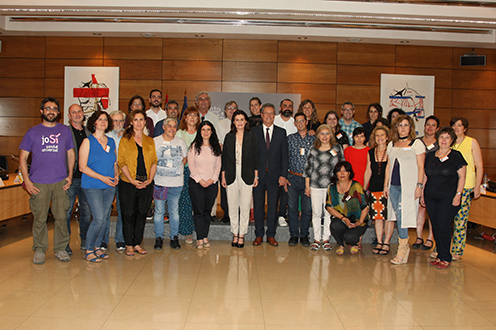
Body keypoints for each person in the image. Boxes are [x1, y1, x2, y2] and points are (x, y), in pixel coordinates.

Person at [19, 97, 75, 264]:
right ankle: (40, 249)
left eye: (54, 109)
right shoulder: (32, 132)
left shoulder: (65, 131)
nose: (51, 111)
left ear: (58, 112)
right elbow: (23, 158)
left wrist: (70, 175)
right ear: (42, 111)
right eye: (48, 108)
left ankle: (60, 248)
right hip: (38, 182)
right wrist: (27, 181)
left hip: (60, 181)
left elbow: (71, 154)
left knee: (61, 217)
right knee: (40, 217)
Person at [422, 127, 467, 269]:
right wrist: (422, 194)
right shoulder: (430, 155)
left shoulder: (456, 156)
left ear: (452, 140)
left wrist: (458, 195)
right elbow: (425, 176)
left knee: (443, 225)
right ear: (437, 139)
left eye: (447, 138)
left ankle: (446, 256)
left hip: (448, 197)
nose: (444, 140)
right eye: (442, 137)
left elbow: (462, 177)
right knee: (435, 226)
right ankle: (440, 254)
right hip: (431, 196)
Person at [384, 115, 425, 264]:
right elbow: (388, 166)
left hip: (408, 186)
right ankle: (404, 247)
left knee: (402, 215)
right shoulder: (392, 144)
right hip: (393, 186)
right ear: (396, 127)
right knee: (398, 215)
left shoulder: (417, 144)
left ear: (411, 127)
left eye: (406, 125)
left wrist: (419, 186)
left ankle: (403, 247)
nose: (403, 128)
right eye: (400, 125)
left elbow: (421, 166)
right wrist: (385, 186)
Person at [79, 110, 118, 262]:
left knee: (105, 217)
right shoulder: (87, 141)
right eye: (100, 119)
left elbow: (114, 163)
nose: (103, 122)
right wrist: (103, 178)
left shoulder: (111, 141)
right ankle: (88, 249)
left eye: (105, 120)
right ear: (94, 123)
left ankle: (97, 247)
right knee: (98, 218)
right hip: (92, 185)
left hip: (109, 186)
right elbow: (82, 167)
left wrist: (116, 176)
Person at [118, 110, 157, 256]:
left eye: (141, 119)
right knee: (128, 214)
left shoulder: (149, 141)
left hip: (146, 183)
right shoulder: (125, 139)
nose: (139, 122)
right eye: (136, 120)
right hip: (128, 183)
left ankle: (137, 243)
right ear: (131, 122)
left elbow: (154, 161)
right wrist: (132, 180)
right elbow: (121, 161)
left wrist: (149, 180)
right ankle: (128, 244)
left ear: (145, 122)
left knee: (141, 214)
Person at [252, 103, 289, 246]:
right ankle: (259, 234)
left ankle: (271, 235)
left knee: (273, 206)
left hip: (275, 176)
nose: (269, 116)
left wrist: (283, 175)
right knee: (259, 206)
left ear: (275, 115)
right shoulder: (254, 132)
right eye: (266, 113)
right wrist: (253, 175)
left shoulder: (281, 132)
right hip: (258, 176)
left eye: (271, 113)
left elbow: (285, 156)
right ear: (261, 115)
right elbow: (252, 155)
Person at [221, 110, 259, 248]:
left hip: (247, 175)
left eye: (242, 119)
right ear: (233, 122)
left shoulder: (251, 136)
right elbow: (224, 158)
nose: (239, 122)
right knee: (232, 206)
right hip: (231, 174)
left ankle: (242, 234)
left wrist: (256, 176)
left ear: (246, 122)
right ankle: (234, 233)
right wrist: (223, 176)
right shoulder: (228, 137)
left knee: (244, 205)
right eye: (237, 120)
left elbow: (256, 157)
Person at [304, 124, 344, 251]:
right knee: (316, 212)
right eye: (322, 134)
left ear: (331, 135)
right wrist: (307, 186)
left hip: (332, 186)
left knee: (328, 213)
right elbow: (308, 169)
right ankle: (316, 239)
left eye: (327, 133)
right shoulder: (313, 149)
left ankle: (326, 239)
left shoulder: (337, 149)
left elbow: (342, 168)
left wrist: (341, 185)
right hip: (315, 185)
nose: (324, 136)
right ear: (318, 135)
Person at [449, 116, 484, 260]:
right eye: (454, 125)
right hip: (450, 187)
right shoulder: (449, 143)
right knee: (445, 220)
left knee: (461, 221)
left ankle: (457, 251)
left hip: (466, 186)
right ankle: (442, 248)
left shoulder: (472, 142)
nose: (456, 128)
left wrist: (477, 186)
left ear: (465, 128)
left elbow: (479, 165)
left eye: (459, 125)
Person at [153, 117, 187, 250]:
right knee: (159, 211)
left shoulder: (181, 142)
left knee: (174, 211)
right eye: (169, 126)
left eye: (174, 126)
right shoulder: (155, 142)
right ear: (163, 127)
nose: (172, 129)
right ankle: (159, 237)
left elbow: (184, 159)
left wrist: (174, 170)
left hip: (176, 183)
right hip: (159, 183)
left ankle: (174, 237)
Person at [188, 121, 222, 249]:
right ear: (200, 132)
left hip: (212, 184)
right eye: (203, 129)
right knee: (198, 211)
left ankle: (205, 235)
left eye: (208, 129)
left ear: (212, 131)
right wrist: (200, 180)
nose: (206, 132)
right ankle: (200, 238)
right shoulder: (194, 146)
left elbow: (218, 166)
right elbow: (191, 165)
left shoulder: (216, 147)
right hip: (196, 183)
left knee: (207, 211)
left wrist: (212, 179)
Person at [326, 161, 369, 255]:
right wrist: (343, 218)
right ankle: (340, 244)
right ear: (335, 173)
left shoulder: (356, 186)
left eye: (345, 171)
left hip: (357, 220)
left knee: (350, 237)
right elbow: (329, 207)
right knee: (334, 225)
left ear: (349, 173)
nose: (342, 174)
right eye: (339, 171)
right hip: (342, 219)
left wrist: (360, 221)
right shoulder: (332, 187)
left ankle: (354, 243)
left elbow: (365, 207)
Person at [65, 104, 91, 254]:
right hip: (70, 178)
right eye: (73, 112)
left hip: (87, 179)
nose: (77, 114)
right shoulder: (64, 132)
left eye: (79, 111)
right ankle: (65, 243)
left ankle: (85, 240)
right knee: (67, 212)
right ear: (69, 116)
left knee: (86, 211)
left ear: (83, 114)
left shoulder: (89, 132)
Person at [287, 112, 315, 247]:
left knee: (307, 209)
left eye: (302, 121)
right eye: (297, 121)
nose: (300, 123)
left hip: (308, 180)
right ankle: (293, 234)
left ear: (306, 122)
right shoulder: (290, 139)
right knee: (292, 208)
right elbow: (284, 158)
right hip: (292, 177)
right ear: (294, 124)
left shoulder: (314, 139)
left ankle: (304, 235)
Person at [364, 126, 392, 255]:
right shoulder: (371, 152)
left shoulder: (392, 151)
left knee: (389, 217)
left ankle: (386, 242)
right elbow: (368, 170)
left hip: (389, 188)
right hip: (374, 187)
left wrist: (387, 185)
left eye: (382, 135)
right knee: (378, 217)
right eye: (377, 136)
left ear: (387, 137)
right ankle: (379, 241)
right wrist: (364, 188)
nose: (379, 138)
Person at [412, 115, 439, 251]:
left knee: (432, 210)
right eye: (428, 124)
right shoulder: (417, 142)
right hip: (419, 179)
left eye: (433, 125)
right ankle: (418, 236)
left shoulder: (440, 144)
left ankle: (430, 237)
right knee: (420, 208)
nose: (430, 127)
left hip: (435, 181)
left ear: (437, 128)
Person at [176, 106, 200, 244]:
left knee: (198, 202)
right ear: (185, 117)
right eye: (189, 115)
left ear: (198, 118)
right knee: (185, 201)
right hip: (184, 171)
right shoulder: (179, 133)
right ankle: (186, 232)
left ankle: (199, 229)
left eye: (195, 115)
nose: (192, 117)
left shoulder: (202, 133)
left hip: (200, 171)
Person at [104, 110, 127, 251]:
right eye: (115, 121)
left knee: (122, 209)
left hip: (124, 177)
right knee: (106, 210)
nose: (118, 124)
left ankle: (120, 239)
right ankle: (103, 240)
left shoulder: (128, 136)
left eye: (120, 121)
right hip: (108, 176)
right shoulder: (104, 136)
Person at [215, 100, 239, 224]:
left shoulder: (241, 123)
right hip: (225, 160)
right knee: (225, 188)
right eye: (228, 108)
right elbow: (219, 143)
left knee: (237, 188)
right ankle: (226, 213)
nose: (231, 110)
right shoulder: (220, 124)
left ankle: (237, 212)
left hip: (239, 161)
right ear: (225, 111)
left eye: (234, 107)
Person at [274, 98, 296, 226]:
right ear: (280, 108)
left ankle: (282, 215)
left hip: (289, 162)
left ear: (292, 109)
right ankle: (273, 214)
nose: (287, 108)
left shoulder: (295, 123)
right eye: (285, 106)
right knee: (274, 190)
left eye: (290, 106)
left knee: (285, 190)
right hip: (273, 162)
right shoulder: (274, 120)